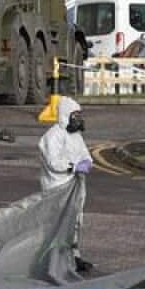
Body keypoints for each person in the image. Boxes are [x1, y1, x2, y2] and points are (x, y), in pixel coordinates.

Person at [37, 96, 94, 273]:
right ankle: (52, 260)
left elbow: (85, 155)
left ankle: (74, 257)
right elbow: (54, 161)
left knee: (75, 222)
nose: (78, 119)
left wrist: (87, 163)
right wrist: (73, 166)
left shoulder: (76, 136)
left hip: (76, 186)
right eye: (74, 115)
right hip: (58, 187)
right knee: (57, 223)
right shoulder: (52, 136)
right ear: (65, 115)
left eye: (79, 115)